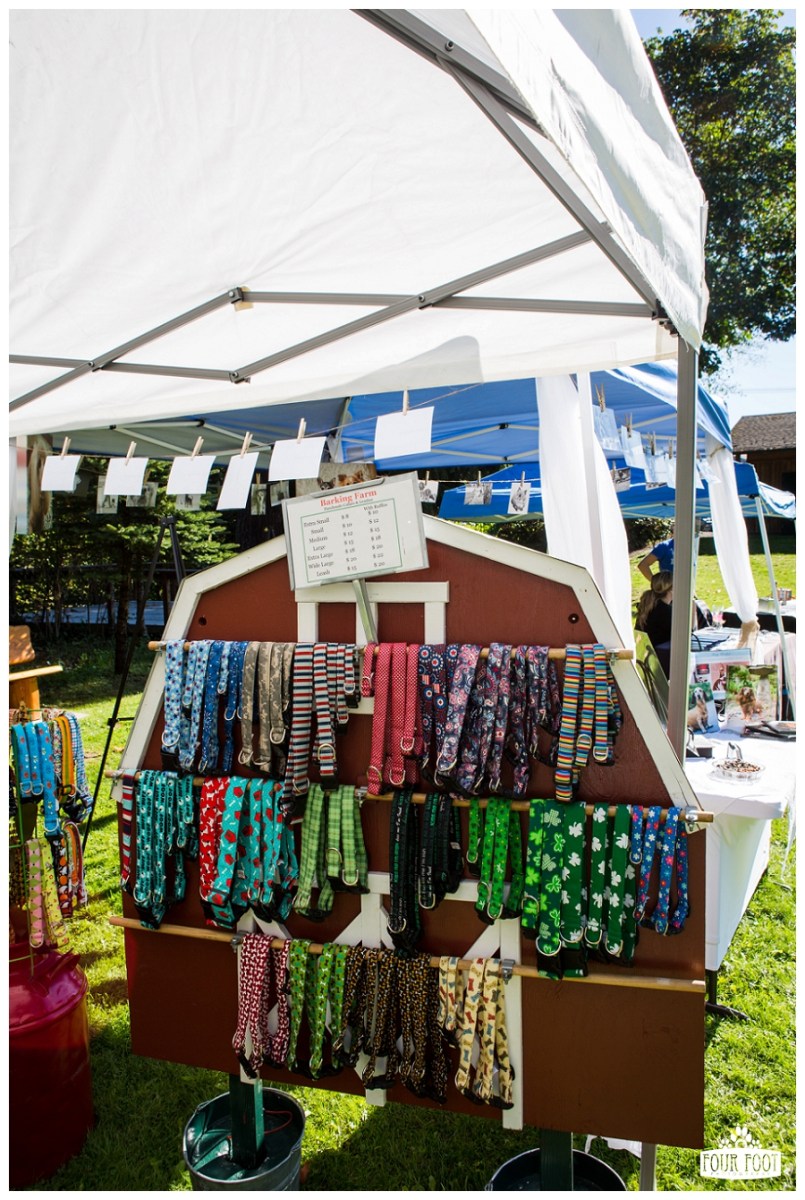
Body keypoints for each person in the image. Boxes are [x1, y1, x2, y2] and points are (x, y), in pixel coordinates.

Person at [635, 570, 706, 678]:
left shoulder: (651, 606)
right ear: (672, 589)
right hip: (662, 665)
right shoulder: (663, 611)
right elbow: (689, 635)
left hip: (648, 660)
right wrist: (692, 604)